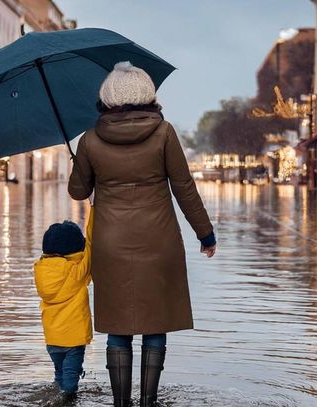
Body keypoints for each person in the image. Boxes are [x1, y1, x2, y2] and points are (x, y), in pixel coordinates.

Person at [68, 61, 216, 407]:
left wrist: (79, 160)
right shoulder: (164, 133)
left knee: (118, 327)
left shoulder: (89, 140)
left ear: (108, 96)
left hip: (111, 243)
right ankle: (148, 403)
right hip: (158, 239)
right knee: (155, 323)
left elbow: (78, 191)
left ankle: (121, 404)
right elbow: (185, 188)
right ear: (147, 93)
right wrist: (205, 234)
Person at [33, 207, 94, 400]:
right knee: (69, 385)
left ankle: (57, 396)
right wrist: (94, 208)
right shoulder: (76, 273)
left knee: (59, 376)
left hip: (52, 340)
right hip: (73, 341)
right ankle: (66, 400)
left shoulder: (40, 270)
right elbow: (92, 245)